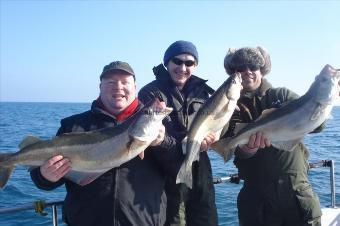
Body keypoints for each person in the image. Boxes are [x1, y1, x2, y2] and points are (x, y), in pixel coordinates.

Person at [30, 61, 184, 226]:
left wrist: (163, 143)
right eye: (111, 82)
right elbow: (45, 182)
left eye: (125, 82)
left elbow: (180, 169)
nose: (118, 87)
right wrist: (45, 176)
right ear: (100, 86)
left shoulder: (161, 124)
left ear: (135, 87)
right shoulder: (73, 126)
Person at [222, 47, 322, 226]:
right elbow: (237, 153)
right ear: (233, 73)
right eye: (240, 67)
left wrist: (323, 99)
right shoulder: (229, 107)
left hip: (296, 193)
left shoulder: (281, 95)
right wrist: (248, 149)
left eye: (253, 65)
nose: (247, 71)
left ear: (262, 68)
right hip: (255, 200)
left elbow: (318, 126)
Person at [138, 40, 218, 226]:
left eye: (189, 63)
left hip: (201, 173)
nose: (183, 67)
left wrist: (213, 137)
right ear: (167, 63)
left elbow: (213, 124)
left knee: (207, 220)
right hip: (165, 174)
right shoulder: (150, 93)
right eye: (177, 61)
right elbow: (151, 134)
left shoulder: (203, 93)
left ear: (195, 66)